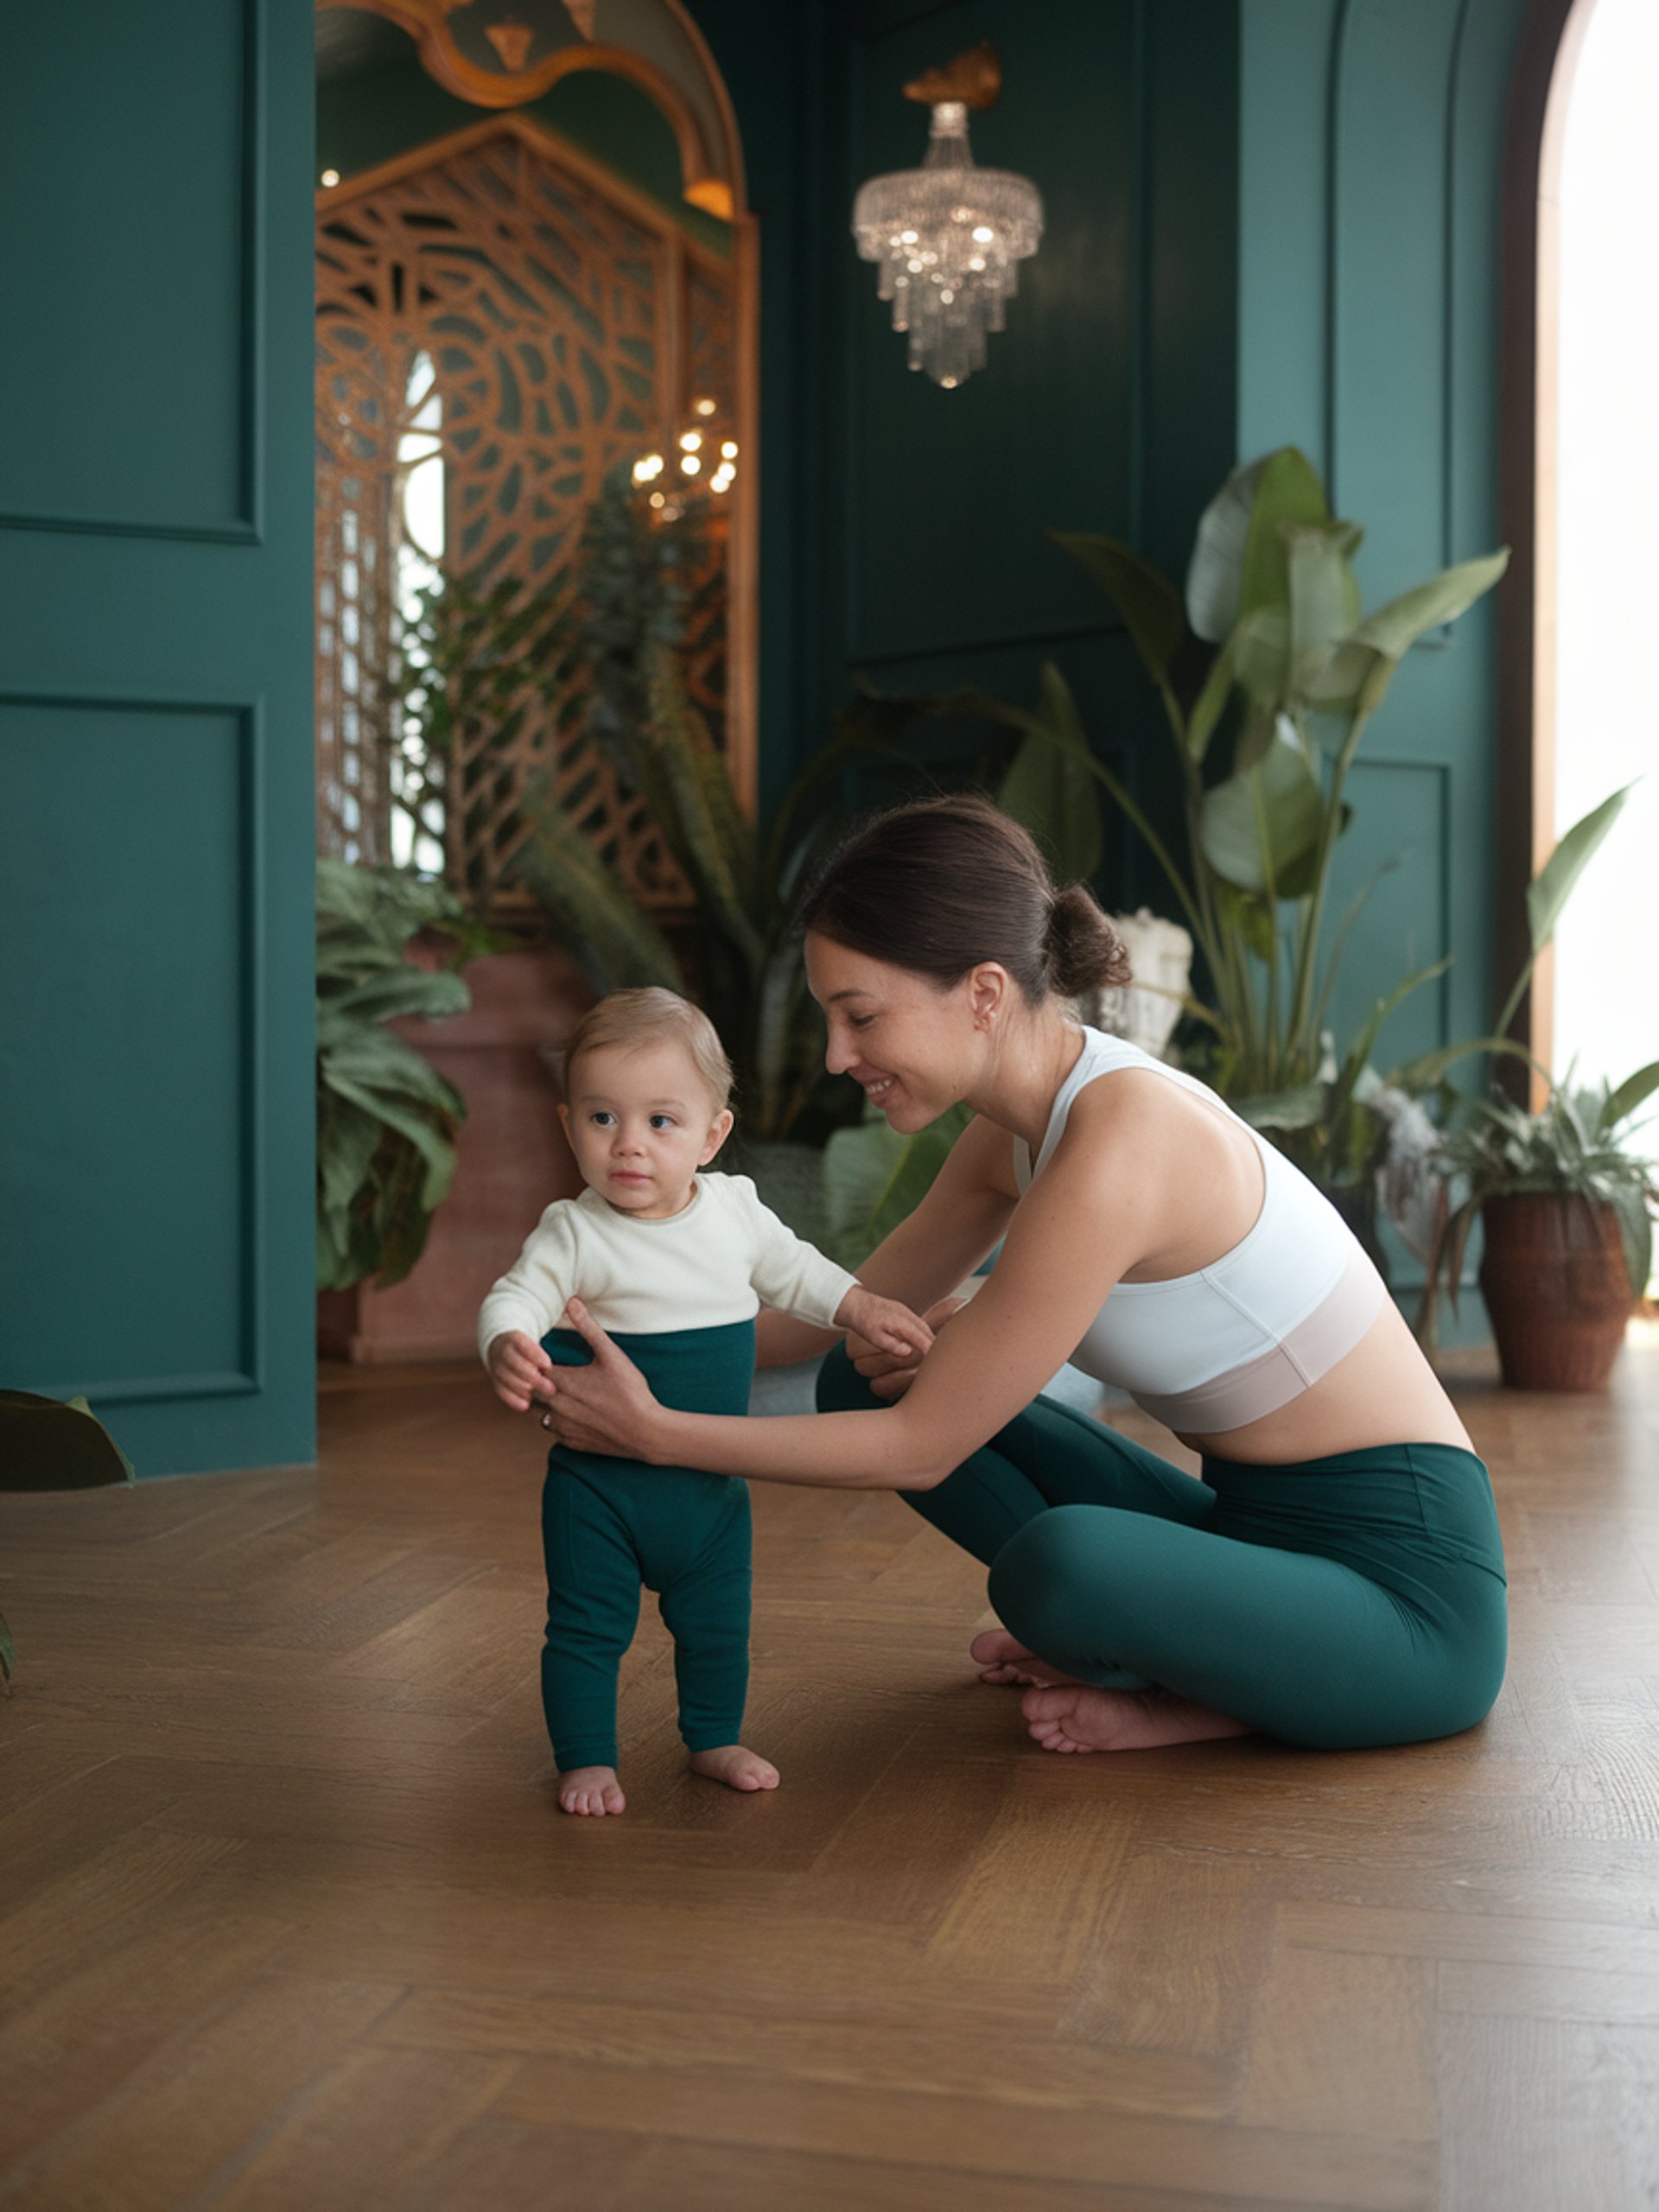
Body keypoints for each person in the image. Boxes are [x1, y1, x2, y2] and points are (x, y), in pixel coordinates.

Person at [531, 798, 1509, 1759]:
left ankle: (1207, 1689)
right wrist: (575, 1339)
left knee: (1059, 1563)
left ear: (985, 993)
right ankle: (1174, 1653)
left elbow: (921, 1448)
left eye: (860, 1016)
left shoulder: (1121, 1144)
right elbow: (831, 1321)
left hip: (1410, 1598)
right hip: (1257, 1536)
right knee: (866, 1369)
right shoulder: (1018, 1135)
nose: (837, 1055)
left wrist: (656, 1435)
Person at [480, 987, 933, 1815]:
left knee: (720, 1627)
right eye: (602, 1119)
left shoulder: (735, 1210)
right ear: (568, 1125)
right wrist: (507, 1342)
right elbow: (517, 1295)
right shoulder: (572, 1233)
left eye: (661, 1121)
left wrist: (860, 1305)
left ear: (712, 1134)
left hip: (710, 1491)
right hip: (598, 1493)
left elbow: (799, 1272)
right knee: (586, 1631)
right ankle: (586, 1759)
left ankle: (714, 1737)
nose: (629, 1146)